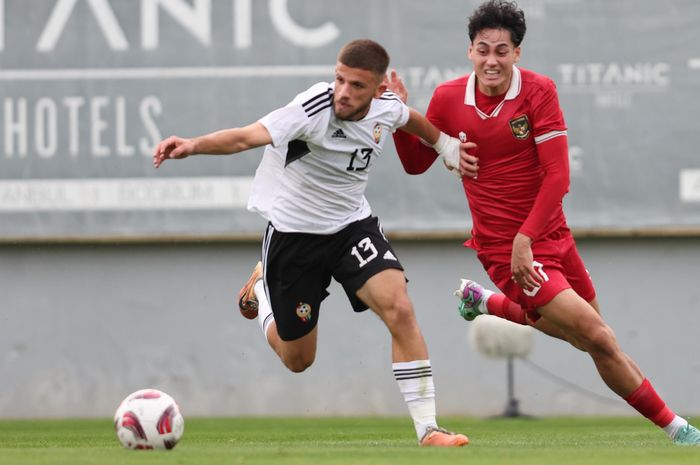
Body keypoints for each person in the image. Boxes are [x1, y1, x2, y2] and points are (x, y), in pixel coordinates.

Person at [389, 0, 700, 446]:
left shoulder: (538, 91)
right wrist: (403, 119)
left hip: (549, 237)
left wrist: (528, 238)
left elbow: (558, 176)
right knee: (598, 338)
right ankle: (680, 430)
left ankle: (490, 305)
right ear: (470, 52)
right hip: (502, 248)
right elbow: (416, 164)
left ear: (517, 53)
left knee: (591, 336)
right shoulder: (447, 99)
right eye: (482, 50)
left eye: (501, 50)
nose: (491, 60)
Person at [153, 39, 469, 447]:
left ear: (376, 89)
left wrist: (446, 147)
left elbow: (409, 119)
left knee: (400, 308)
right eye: (339, 79)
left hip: (351, 228)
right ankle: (263, 289)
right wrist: (193, 145)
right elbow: (247, 137)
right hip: (294, 237)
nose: (343, 92)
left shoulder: (385, 107)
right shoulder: (313, 108)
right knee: (298, 359)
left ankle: (428, 430)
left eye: (357, 85)